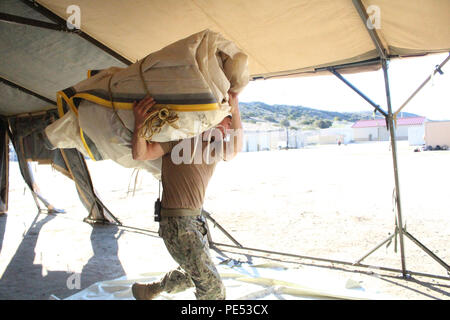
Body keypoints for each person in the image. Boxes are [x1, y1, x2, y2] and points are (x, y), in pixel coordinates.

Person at [130, 92, 243, 300]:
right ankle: (150, 291)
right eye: (227, 123)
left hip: (195, 222)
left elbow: (235, 148)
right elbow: (140, 154)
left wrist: (234, 108)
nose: (228, 130)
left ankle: (149, 291)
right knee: (213, 291)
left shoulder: (215, 148)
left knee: (194, 274)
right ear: (214, 120)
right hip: (178, 223)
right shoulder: (178, 140)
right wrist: (140, 124)